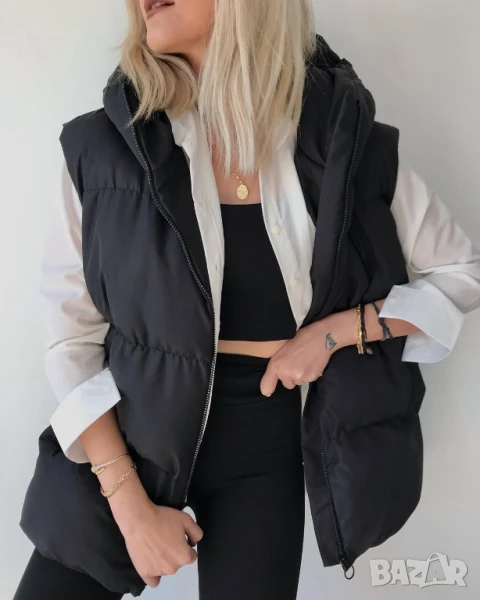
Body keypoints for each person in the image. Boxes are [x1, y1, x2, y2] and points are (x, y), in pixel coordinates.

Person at [14, 1, 480, 599]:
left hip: (266, 455)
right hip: (128, 444)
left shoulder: (342, 140)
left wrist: (337, 333)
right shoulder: (101, 148)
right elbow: (71, 340)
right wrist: (129, 505)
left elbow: (461, 273)